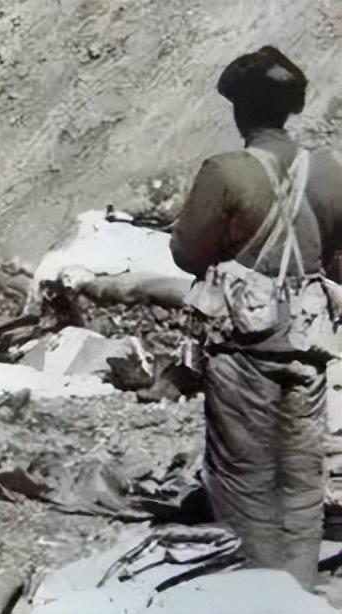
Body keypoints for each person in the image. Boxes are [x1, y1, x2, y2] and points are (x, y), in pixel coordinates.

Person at [170, 45, 342, 591]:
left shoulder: (225, 171)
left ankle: (257, 594)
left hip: (244, 347)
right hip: (309, 343)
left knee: (244, 476)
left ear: (241, 110)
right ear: (290, 107)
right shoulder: (330, 172)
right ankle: (299, 590)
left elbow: (188, 253)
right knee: (301, 476)